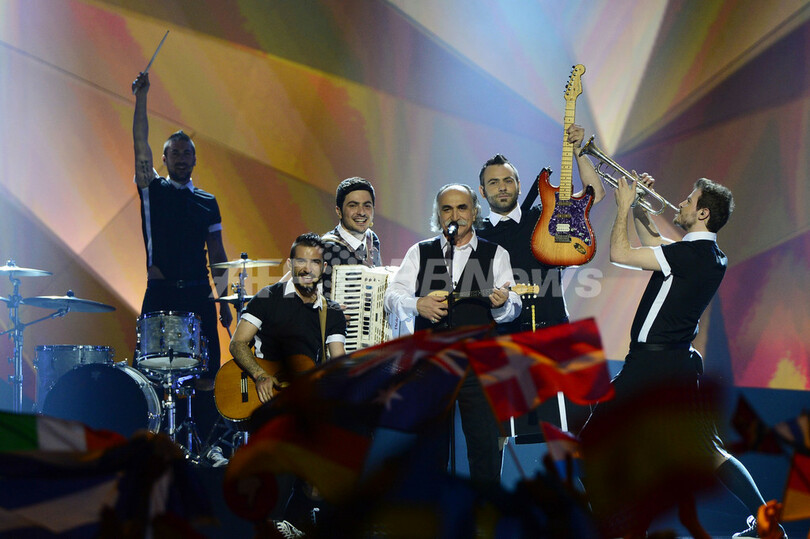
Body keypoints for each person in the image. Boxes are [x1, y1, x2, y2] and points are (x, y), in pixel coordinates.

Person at [581, 173, 785, 538]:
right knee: (708, 450)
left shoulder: (688, 255)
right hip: (677, 361)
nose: (681, 203)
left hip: (652, 364)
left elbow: (619, 254)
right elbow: (654, 243)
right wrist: (640, 205)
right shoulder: (708, 256)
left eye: (689, 201)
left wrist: (624, 206)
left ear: (703, 213)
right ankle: (769, 527)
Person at [383, 183, 521, 484]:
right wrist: (417, 304)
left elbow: (513, 306)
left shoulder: (495, 253)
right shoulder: (420, 252)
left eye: (461, 207)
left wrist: (501, 305)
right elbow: (392, 295)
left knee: (485, 448)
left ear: (474, 211)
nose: (454, 215)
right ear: (438, 214)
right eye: (447, 209)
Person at [132, 71, 232, 441]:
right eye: (174, 153)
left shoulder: (207, 202)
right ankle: (154, 440)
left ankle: (206, 443)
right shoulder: (152, 189)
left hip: (199, 293)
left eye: (187, 152)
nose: (181, 158)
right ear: (163, 158)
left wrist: (224, 300)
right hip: (161, 293)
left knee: (207, 372)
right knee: (151, 371)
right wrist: (142, 97)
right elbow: (139, 142)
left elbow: (218, 254)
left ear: (195, 158)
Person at [229, 233, 346, 536]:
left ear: (323, 267)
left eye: (315, 262)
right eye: (301, 260)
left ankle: (295, 522)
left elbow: (337, 362)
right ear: (291, 263)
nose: (307, 268)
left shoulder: (331, 312)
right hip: (265, 400)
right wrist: (260, 374)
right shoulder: (268, 297)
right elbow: (238, 343)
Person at [476, 124, 606, 334]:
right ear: (482, 191)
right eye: (493, 182)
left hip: (555, 332)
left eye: (508, 180)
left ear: (519, 185)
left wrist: (577, 150)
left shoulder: (544, 216)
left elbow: (595, 194)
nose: (502, 187)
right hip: (502, 337)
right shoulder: (475, 235)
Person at [320, 177, 382, 299]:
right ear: (339, 211)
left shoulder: (372, 240)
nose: (361, 212)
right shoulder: (324, 247)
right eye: (353, 205)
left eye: (367, 206)